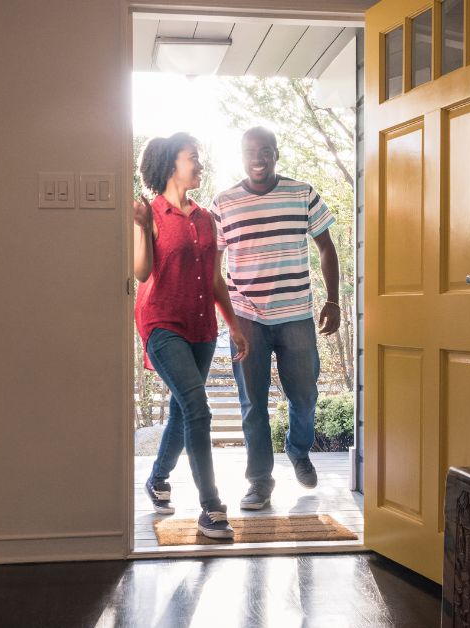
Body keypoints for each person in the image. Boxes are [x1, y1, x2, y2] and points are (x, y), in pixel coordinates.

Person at [208, 126, 341, 510]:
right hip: (246, 317)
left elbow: (326, 248)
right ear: (242, 155)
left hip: (296, 315)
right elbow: (214, 270)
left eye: (265, 150)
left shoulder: (302, 193)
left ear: (276, 153)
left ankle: (298, 450)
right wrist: (226, 320)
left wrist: (333, 301)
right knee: (253, 404)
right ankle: (260, 481)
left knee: (305, 395)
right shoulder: (224, 203)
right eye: (250, 151)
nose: (258, 158)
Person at [134, 132, 249, 539]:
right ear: (171, 165)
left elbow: (215, 279)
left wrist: (233, 325)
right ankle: (211, 508)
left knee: (185, 410)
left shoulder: (205, 218)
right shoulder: (149, 213)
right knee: (199, 411)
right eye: (192, 158)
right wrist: (142, 227)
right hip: (163, 324)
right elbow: (143, 272)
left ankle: (158, 478)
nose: (199, 165)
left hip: (202, 327)